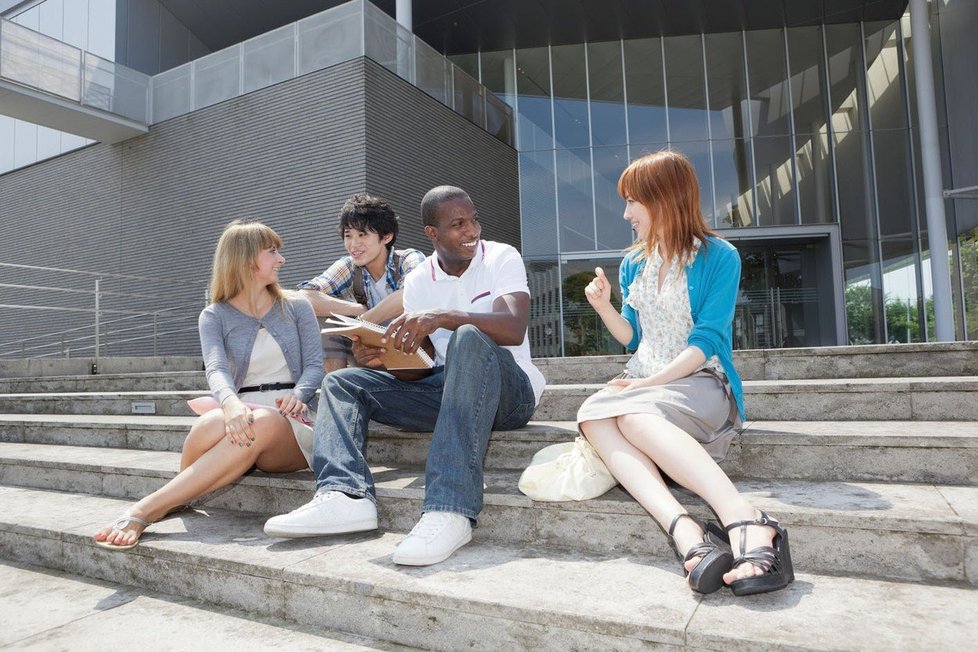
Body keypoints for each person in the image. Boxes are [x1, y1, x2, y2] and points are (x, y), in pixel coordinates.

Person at [264, 186, 546, 566]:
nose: (472, 230)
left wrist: (446, 316)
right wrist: (386, 357)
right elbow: (424, 363)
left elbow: (513, 327)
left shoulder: (499, 256)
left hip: (511, 395)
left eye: (474, 220)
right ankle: (345, 495)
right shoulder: (419, 281)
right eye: (458, 224)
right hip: (447, 390)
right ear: (432, 233)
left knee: (466, 336)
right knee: (342, 382)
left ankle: (450, 508)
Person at [577, 151, 794, 596]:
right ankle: (686, 532)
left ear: (663, 198)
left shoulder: (720, 256)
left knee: (631, 416)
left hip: (701, 383)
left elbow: (706, 341)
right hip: (648, 383)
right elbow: (632, 338)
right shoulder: (635, 263)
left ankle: (747, 520)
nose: (626, 213)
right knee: (592, 414)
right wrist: (603, 306)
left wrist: (645, 386)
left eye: (633, 200)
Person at [93, 220, 325, 549]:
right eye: (272, 252)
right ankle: (178, 497)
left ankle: (144, 510)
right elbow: (216, 368)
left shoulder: (298, 306)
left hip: (294, 423)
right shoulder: (214, 316)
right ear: (247, 261)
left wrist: (299, 395)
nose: (281, 259)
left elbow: (315, 366)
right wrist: (230, 404)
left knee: (257, 422)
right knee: (211, 422)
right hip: (242, 411)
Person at [296, 193, 426, 372]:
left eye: (362, 235)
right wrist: (355, 310)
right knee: (323, 318)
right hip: (366, 352)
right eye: (348, 235)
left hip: (410, 357)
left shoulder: (408, 259)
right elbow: (304, 297)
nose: (353, 245)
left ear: (387, 237)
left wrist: (365, 320)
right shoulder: (349, 266)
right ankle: (336, 383)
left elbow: (414, 293)